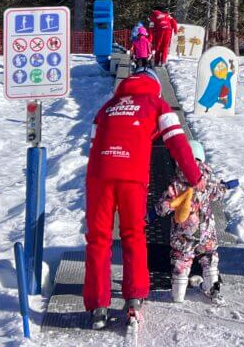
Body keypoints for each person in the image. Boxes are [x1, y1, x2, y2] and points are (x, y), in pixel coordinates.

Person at [83, 69, 203, 330]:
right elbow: (177, 142)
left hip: (98, 175)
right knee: (133, 234)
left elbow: (93, 144)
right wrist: (194, 177)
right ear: (156, 87)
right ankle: (134, 297)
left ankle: (97, 305)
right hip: (131, 175)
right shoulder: (157, 104)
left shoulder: (107, 107)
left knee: (98, 238)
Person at [156, 140, 231, 304]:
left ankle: (178, 295)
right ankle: (211, 288)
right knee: (209, 256)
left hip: (183, 232)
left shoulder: (175, 182)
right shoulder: (208, 179)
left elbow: (164, 207)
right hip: (206, 231)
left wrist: (156, 211)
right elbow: (217, 192)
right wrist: (225, 186)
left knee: (181, 259)